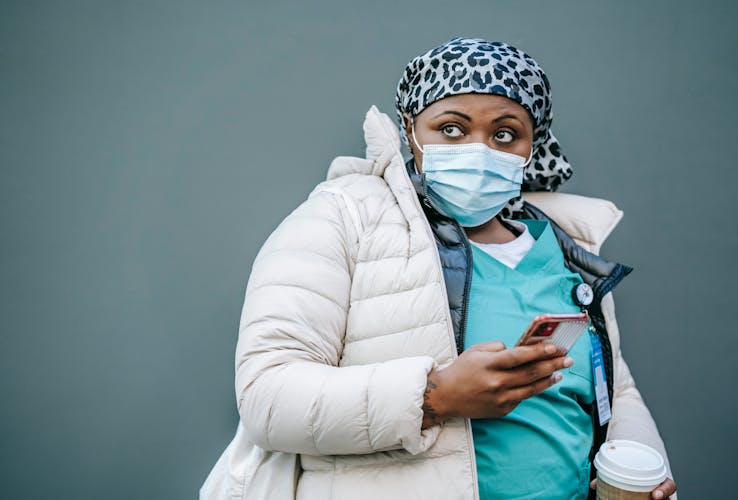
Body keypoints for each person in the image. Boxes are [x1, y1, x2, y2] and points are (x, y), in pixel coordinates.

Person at [201, 37, 677, 499]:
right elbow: (267, 398)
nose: (479, 148)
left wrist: (640, 466)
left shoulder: (566, 249)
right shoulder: (344, 218)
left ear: (532, 146)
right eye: (451, 128)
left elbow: (616, 387)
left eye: (505, 134)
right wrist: (436, 396)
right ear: (410, 129)